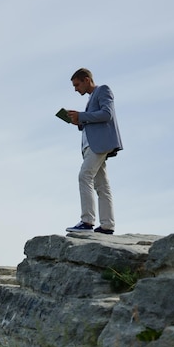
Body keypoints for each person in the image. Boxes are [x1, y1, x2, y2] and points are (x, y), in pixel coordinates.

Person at [65, 68, 123, 234]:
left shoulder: (103, 90)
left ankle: (87, 221)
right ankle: (107, 225)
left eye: (77, 85)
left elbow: (107, 114)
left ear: (86, 80)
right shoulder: (91, 98)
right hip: (92, 146)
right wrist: (79, 122)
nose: (76, 89)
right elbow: (95, 119)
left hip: (98, 145)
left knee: (84, 176)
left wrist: (82, 116)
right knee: (102, 185)